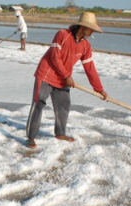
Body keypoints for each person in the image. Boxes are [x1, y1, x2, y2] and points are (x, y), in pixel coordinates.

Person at [25, 12, 108, 149]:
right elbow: (54, 57)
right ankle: (31, 137)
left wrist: (99, 89)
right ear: (84, 27)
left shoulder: (86, 46)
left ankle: (60, 133)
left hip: (63, 79)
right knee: (38, 104)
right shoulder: (63, 34)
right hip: (46, 75)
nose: (93, 31)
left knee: (64, 106)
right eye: (92, 28)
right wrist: (66, 76)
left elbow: (90, 68)